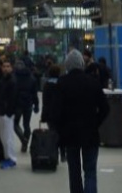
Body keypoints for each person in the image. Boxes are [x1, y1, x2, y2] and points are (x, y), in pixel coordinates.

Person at [54, 49, 109, 193]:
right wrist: (95, 123)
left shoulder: (61, 83)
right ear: (82, 64)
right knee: (90, 172)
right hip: (90, 133)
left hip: (69, 134)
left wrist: (61, 129)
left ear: (67, 65)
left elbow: (56, 111)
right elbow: (105, 108)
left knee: (74, 172)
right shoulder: (93, 82)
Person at [0, 59, 19, 169]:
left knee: (8, 136)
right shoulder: (3, 80)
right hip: (3, 111)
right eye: (4, 66)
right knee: (4, 136)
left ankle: (11, 158)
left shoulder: (11, 81)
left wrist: (8, 112)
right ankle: (7, 157)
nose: (5, 68)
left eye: (8, 66)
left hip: (7, 113)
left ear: (11, 68)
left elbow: (13, 98)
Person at [41, 63, 65, 162]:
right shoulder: (62, 84)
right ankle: (63, 154)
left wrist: (43, 115)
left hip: (50, 114)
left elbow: (45, 101)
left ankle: (54, 153)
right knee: (61, 134)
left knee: (52, 133)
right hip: (61, 113)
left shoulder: (47, 85)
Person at [13, 60, 38, 153]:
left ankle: (23, 139)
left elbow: (12, 92)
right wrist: (36, 104)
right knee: (26, 124)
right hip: (28, 104)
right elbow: (34, 93)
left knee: (15, 123)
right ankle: (25, 143)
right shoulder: (31, 77)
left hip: (17, 104)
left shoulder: (14, 77)